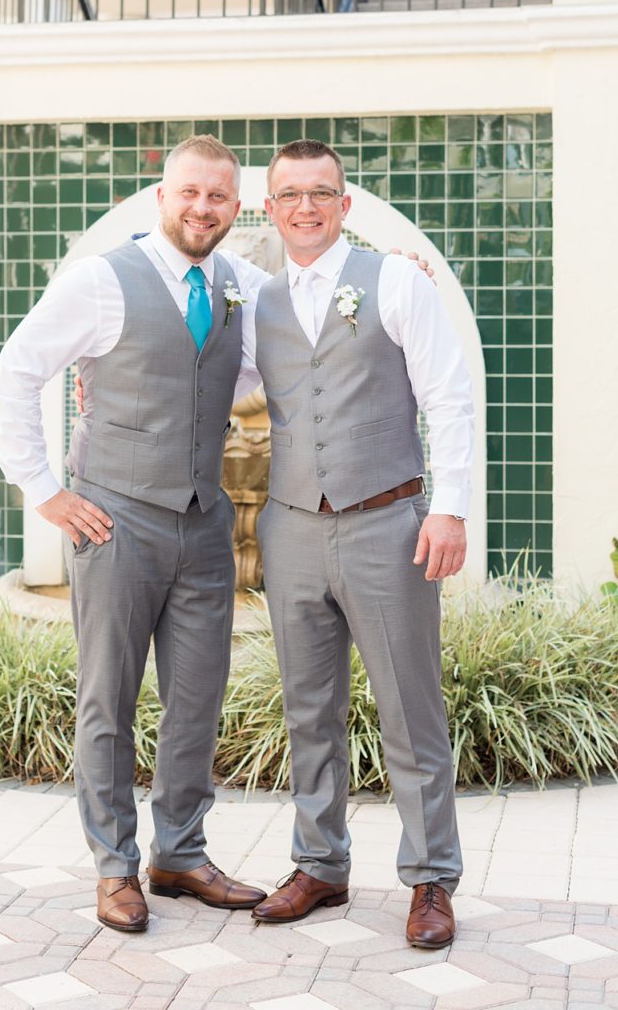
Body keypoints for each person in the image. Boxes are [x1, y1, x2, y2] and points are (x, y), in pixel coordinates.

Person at [0, 135, 269, 932]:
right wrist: (45, 492)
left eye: (218, 197)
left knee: (196, 698)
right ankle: (114, 866)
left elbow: (259, 359)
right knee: (107, 699)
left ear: (235, 206)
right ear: (163, 194)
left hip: (205, 522)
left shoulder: (241, 283)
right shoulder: (101, 282)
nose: (202, 208)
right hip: (117, 519)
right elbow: (14, 373)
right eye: (189, 192)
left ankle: (178, 851)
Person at [248, 139, 473, 949]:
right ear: (268, 211)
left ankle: (430, 879)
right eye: (288, 196)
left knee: (411, 710)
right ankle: (320, 864)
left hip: (387, 523)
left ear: (345, 205)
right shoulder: (259, 299)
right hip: (290, 526)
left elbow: (448, 397)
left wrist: (448, 510)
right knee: (310, 709)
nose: (304, 207)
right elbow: (217, 379)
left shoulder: (396, 281)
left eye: (320, 193)